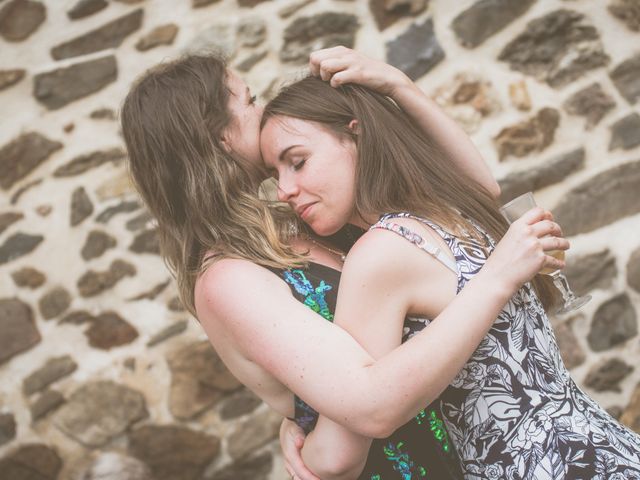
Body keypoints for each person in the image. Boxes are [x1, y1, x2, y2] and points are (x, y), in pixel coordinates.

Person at [120, 49, 569, 480]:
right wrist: (312, 429)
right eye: (251, 101)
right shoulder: (228, 279)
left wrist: (397, 84)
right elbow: (363, 413)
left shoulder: (303, 224)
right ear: (219, 137)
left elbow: (472, 193)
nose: (264, 109)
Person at [261, 50, 640, 479]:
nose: (284, 190)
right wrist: (398, 85)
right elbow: (484, 185)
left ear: (356, 137)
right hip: (606, 450)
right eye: (275, 174)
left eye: (298, 162)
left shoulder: (380, 252)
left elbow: (339, 455)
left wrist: (299, 443)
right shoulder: (450, 211)